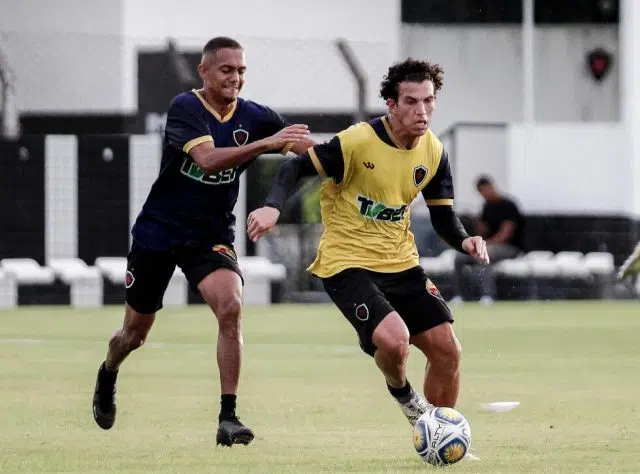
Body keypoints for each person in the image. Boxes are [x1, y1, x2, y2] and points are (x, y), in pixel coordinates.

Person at [91, 36, 314, 447]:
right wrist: (266, 144)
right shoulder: (186, 108)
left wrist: (349, 157)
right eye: (227, 70)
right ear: (204, 71)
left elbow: (306, 150)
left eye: (242, 70)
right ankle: (108, 372)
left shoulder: (256, 116)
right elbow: (208, 159)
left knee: (230, 306)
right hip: (159, 232)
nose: (235, 78)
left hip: (209, 235)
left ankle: (228, 417)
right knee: (133, 335)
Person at [246, 58, 489, 427]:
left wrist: (465, 240)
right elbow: (295, 166)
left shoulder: (434, 152)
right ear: (391, 105)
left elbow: (442, 216)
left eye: (428, 100)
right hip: (347, 264)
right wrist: (271, 207)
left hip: (402, 264)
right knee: (394, 341)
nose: (421, 110)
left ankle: (440, 436)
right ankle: (406, 397)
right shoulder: (358, 142)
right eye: (410, 101)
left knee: (448, 351)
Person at [452, 175, 524, 304]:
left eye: (486, 190)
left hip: (510, 248)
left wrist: (484, 245)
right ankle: (461, 295)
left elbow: (505, 235)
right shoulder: (487, 207)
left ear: (492, 187)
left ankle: (488, 295)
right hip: (489, 245)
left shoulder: (509, 206)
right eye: (482, 192)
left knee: (484, 253)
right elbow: (483, 231)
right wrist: (475, 222)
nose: (485, 194)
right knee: (459, 257)